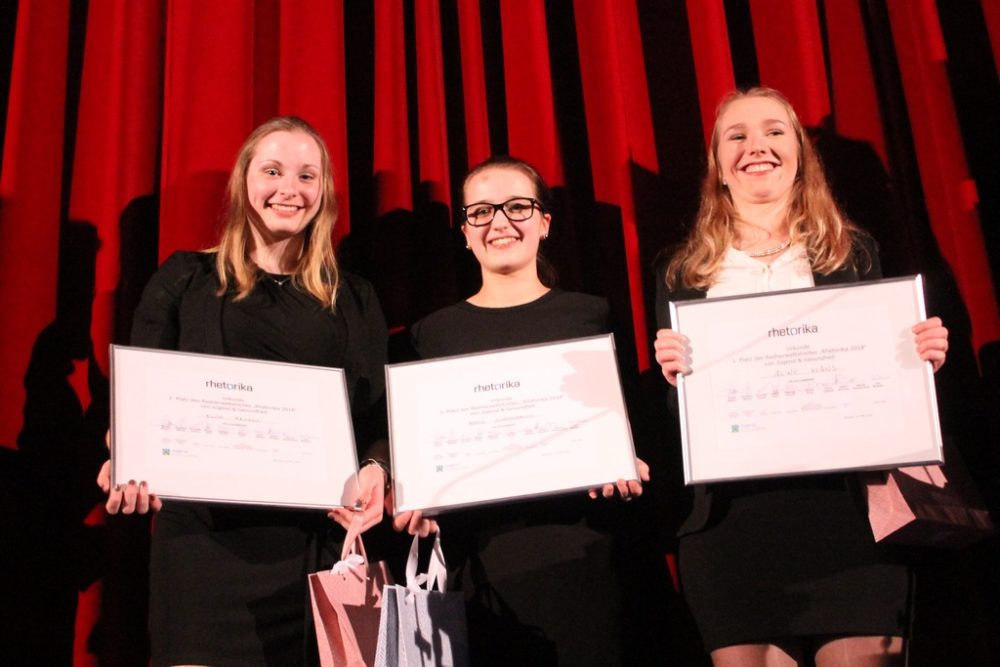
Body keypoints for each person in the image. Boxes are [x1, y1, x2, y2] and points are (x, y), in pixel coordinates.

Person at [653, 87, 949, 667]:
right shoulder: (682, 269)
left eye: (773, 131)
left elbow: (882, 388)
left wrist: (917, 361)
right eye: (735, 136)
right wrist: (674, 385)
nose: (755, 146)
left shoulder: (853, 253)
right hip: (731, 524)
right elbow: (677, 419)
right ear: (717, 164)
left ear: (799, 154)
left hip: (846, 519)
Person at [96, 116, 390, 666]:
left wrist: (377, 471)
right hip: (201, 551)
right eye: (273, 171)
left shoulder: (353, 297)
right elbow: (138, 402)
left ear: (323, 191)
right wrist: (126, 455)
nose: (290, 190)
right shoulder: (184, 280)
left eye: (308, 176)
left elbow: (376, 417)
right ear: (244, 181)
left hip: (314, 549)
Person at [392, 155, 650, 665]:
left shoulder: (591, 315)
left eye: (517, 206)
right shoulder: (429, 336)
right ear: (464, 232)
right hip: (480, 568)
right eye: (482, 212)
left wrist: (628, 460)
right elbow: (416, 448)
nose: (500, 223)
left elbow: (630, 427)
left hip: (583, 555)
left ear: (545, 222)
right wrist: (412, 491)